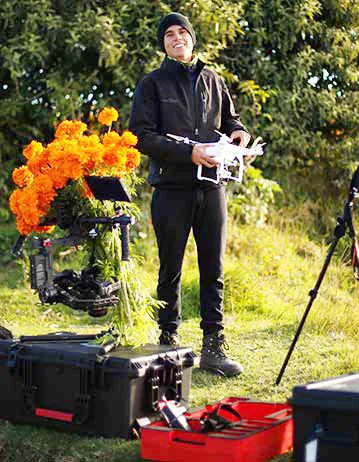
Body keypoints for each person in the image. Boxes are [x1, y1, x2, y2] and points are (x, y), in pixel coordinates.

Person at [129, 12, 250, 377]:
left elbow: (230, 120)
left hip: (213, 187)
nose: (177, 38)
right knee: (170, 269)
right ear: (163, 44)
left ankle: (213, 346)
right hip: (171, 188)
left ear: (192, 39)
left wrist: (240, 133)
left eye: (182, 32)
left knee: (213, 268)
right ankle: (167, 344)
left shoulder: (213, 79)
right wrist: (187, 153)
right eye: (169, 34)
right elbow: (142, 136)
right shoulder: (152, 84)